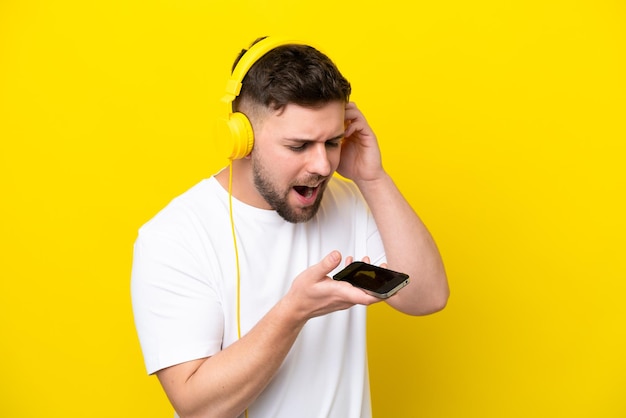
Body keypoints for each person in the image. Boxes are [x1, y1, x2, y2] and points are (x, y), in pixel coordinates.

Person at [131, 36, 449, 418]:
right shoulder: (174, 238)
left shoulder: (349, 202)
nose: (323, 165)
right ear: (241, 139)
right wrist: (294, 312)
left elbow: (427, 297)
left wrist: (373, 178)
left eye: (332, 141)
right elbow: (199, 409)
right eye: (299, 146)